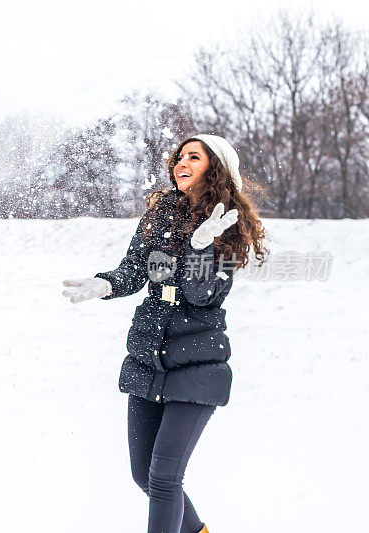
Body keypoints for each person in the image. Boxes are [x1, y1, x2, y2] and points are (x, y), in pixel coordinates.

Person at [62, 135, 266, 533]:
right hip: (148, 356)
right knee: (145, 476)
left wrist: (201, 247)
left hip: (196, 363)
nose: (181, 163)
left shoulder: (226, 221)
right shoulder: (161, 213)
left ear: (216, 168)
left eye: (194, 156)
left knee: (165, 477)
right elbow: (135, 270)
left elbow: (202, 294)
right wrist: (105, 285)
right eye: (179, 156)